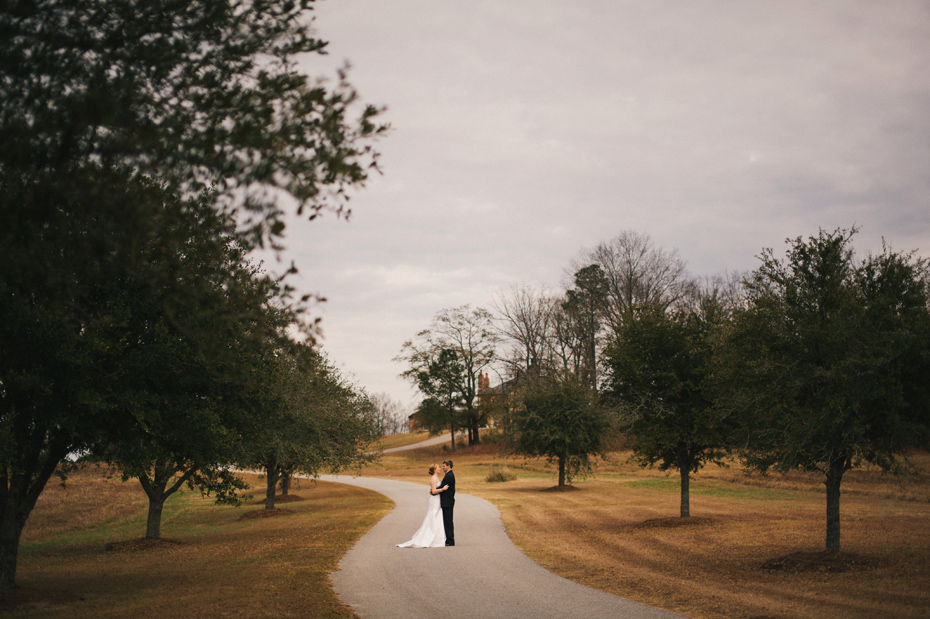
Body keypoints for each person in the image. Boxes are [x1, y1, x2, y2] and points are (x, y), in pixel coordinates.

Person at [396, 464, 446, 548]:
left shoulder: (436, 478)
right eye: (438, 468)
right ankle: (428, 537)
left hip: (438, 499)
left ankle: (437, 537)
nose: (440, 469)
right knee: (432, 516)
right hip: (435, 500)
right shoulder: (433, 479)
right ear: (434, 470)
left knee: (437, 516)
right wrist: (442, 489)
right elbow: (433, 491)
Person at [437, 460, 455, 546]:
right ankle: (448, 539)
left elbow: (442, 486)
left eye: (443, 466)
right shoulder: (448, 475)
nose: (442, 467)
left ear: (448, 466)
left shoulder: (449, 476)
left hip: (448, 502)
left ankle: (450, 540)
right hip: (447, 501)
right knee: (446, 521)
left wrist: (433, 491)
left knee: (448, 521)